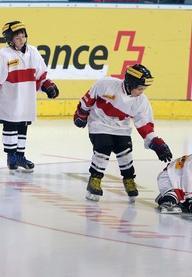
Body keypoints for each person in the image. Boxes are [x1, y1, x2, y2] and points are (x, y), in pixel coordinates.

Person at [73, 64, 172, 202]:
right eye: (139, 88)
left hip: (121, 128)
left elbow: (145, 125)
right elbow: (89, 97)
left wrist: (156, 142)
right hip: (99, 123)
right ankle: (94, 179)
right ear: (130, 83)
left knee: (125, 151)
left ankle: (129, 179)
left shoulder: (141, 101)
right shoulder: (106, 84)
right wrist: (81, 113)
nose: (141, 92)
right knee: (103, 148)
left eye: (143, 89)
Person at [0, 21, 59, 174]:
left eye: (23, 36)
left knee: (23, 126)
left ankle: (20, 156)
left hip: (27, 98)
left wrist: (48, 86)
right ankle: (11, 156)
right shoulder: (3, 55)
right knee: (10, 126)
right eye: (18, 38)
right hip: (10, 98)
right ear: (10, 40)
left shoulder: (33, 52)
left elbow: (41, 74)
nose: (22, 40)